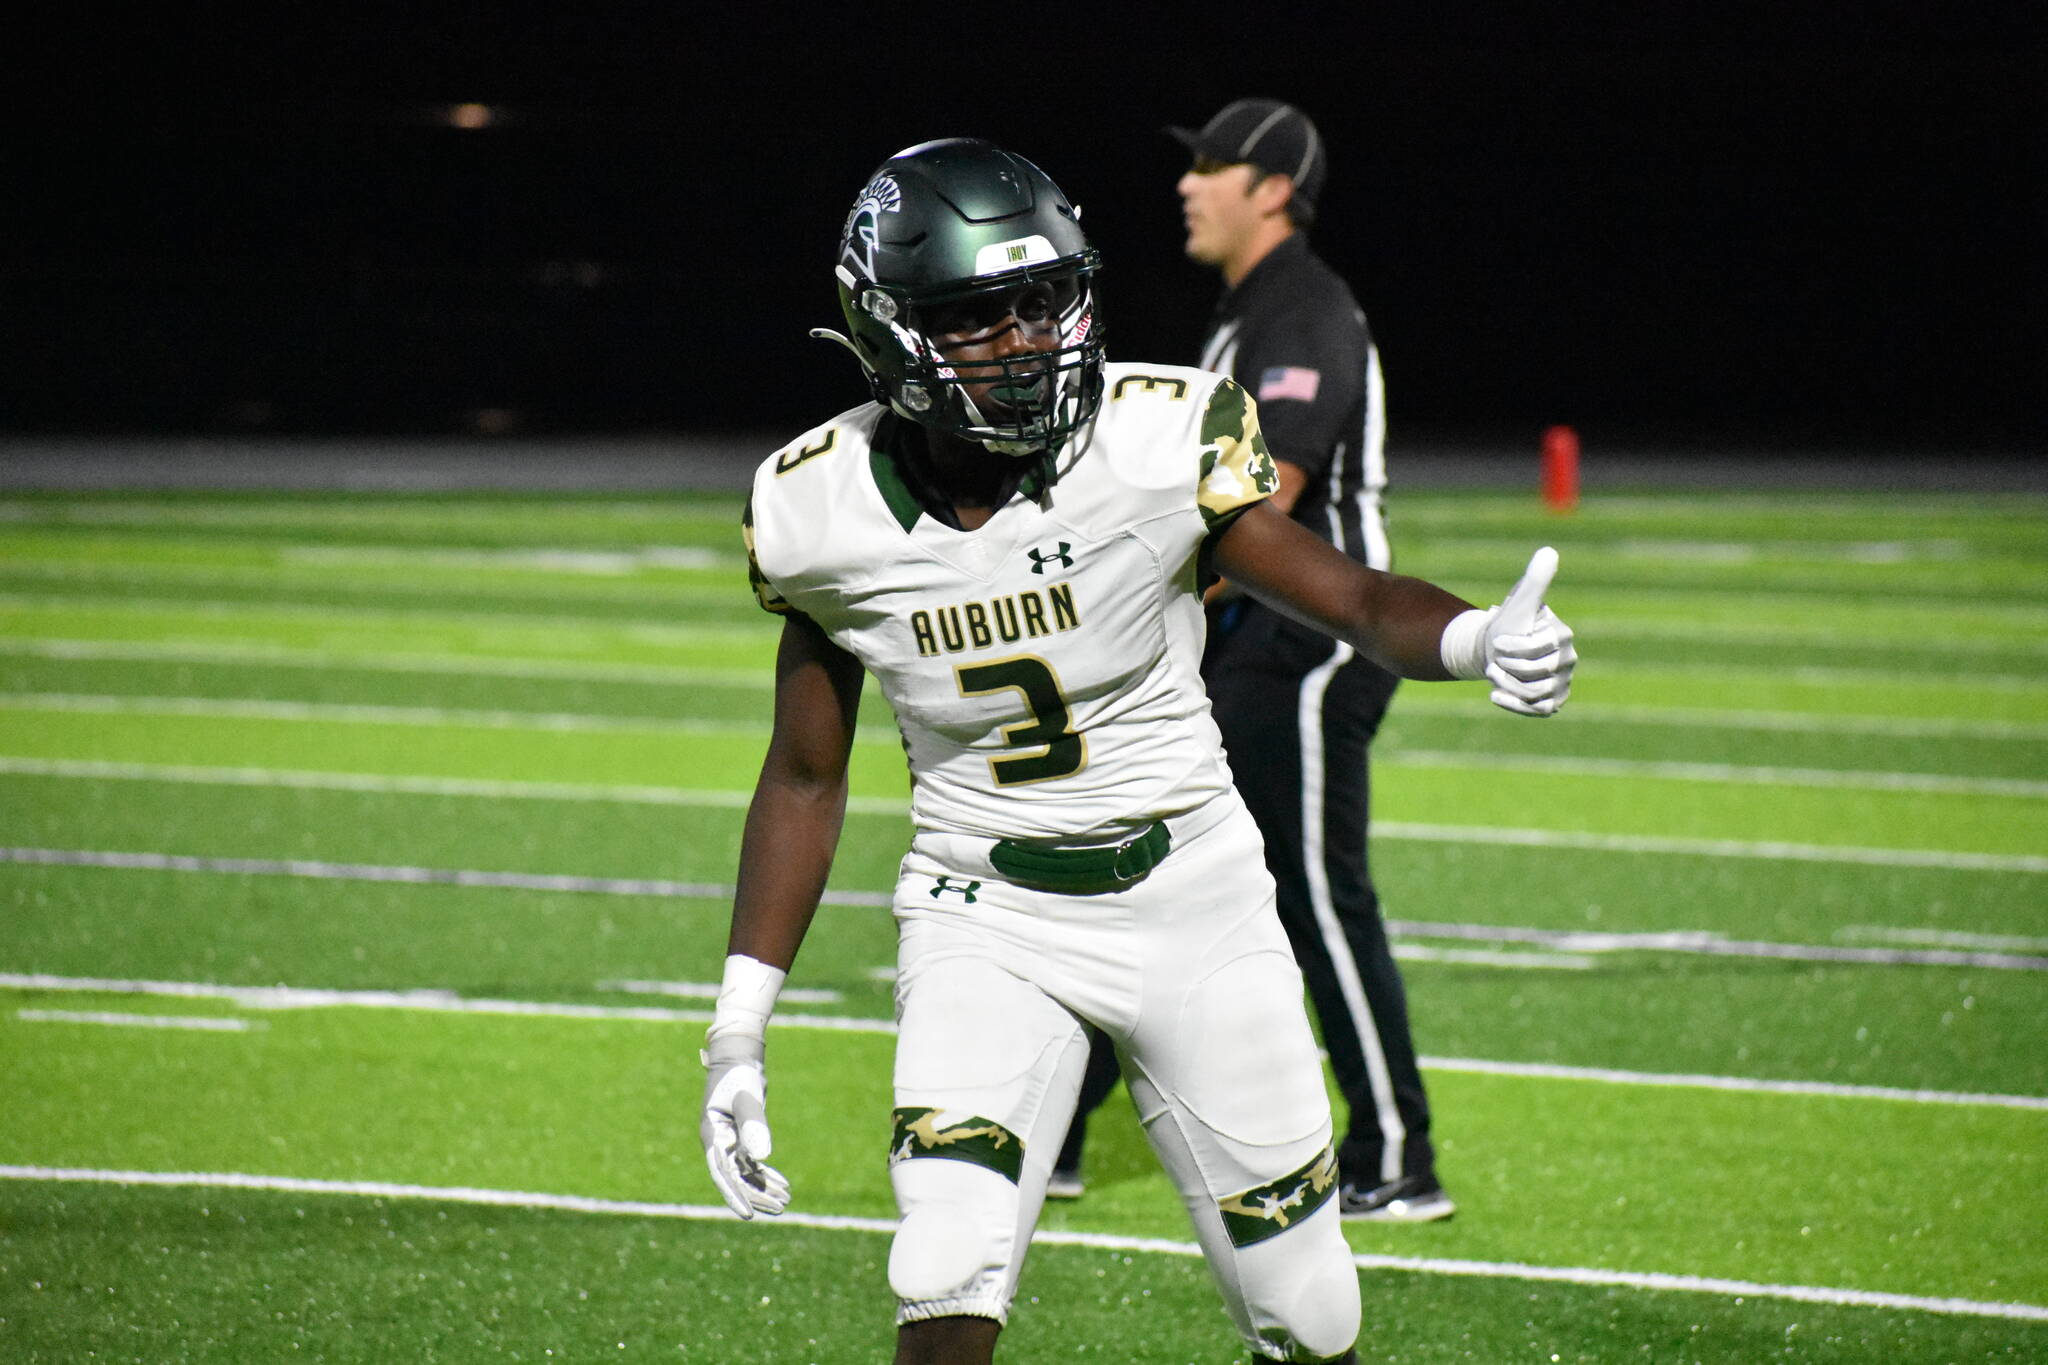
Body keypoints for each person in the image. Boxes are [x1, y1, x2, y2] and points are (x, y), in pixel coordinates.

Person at [698, 137, 1574, 1365]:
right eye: (980, 315)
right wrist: (739, 1025)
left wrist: (1476, 637)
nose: (1026, 339)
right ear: (892, 332)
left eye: (1042, 299)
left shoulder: (1154, 439)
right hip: (982, 910)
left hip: (1191, 894)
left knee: (1308, 1311)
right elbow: (804, 772)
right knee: (942, 1263)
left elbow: (1350, 598)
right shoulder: (813, 508)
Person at [1052, 97, 1451, 1223]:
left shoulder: (1303, 311)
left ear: (1270, 188)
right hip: (1252, 647)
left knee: (1320, 899)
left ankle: (1393, 1157)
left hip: (1311, 648)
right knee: (1152, 872)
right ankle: (1060, 1131)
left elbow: (1261, 502)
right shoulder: (1247, 315)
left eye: (1212, 166)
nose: (1187, 184)